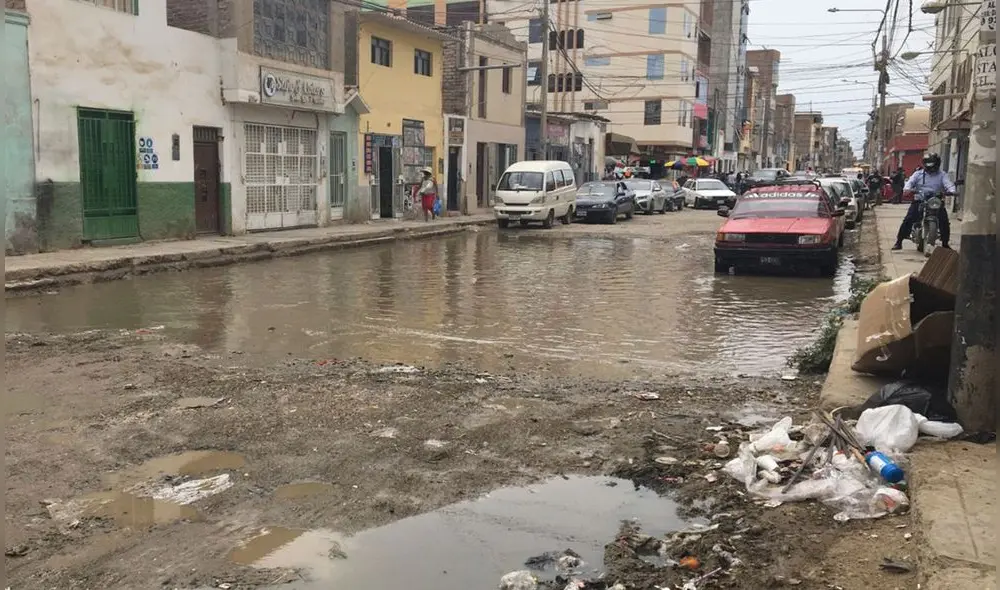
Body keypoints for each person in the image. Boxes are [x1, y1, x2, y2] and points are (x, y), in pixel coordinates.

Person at [892, 153, 955, 250]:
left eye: (932, 164)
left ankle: (945, 243)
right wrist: (907, 189)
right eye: (928, 164)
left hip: (935, 201)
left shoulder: (942, 175)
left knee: (944, 221)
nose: (930, 167)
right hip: (920, 200)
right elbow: (910, 182)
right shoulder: (918, 174)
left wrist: (952, 191)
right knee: (909, 219)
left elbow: (948, 184)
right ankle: (899, 241)